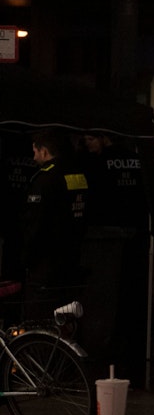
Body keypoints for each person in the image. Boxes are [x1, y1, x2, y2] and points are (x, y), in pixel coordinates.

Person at [81, 131, 154, 387]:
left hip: (109, 238)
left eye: (91, 138)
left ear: (105, 138)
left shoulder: (99, 163)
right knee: (137, 291)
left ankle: (116, 344)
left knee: (112, 293)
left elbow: (94, 199)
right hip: (139, 236)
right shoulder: (139, 159)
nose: (88, 144)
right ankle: (140, 340)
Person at [19, 131, 89, 321]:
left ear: (45, 151)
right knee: (67, 314)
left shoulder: (44, 179)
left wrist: (25, 259)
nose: (33, 156)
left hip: (46, 263)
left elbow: (35, 226)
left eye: (35, 151)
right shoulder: (78, 175)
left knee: (40, 317)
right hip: (73, 257)